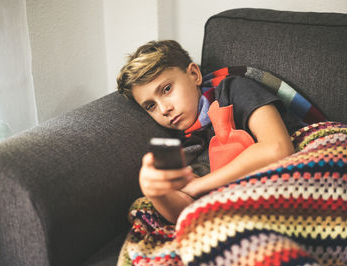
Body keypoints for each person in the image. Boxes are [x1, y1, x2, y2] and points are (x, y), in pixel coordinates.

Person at [116, 40, 300, 224]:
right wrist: (158, 193)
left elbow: (277, 148)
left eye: (167, 89)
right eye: (151, 106)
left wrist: (200, 185)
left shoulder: (233, 90)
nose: (164, 109)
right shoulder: (184, 148)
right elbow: (189, 214)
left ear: (194, 74)